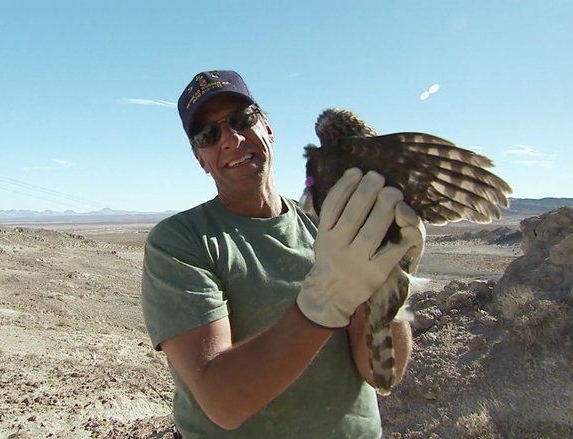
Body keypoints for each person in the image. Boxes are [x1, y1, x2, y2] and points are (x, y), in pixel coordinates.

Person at [141, 70, 424, 438]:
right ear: (201, 159)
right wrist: (328, 294)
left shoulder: (331, 224)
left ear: (268, 128)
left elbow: (380, 372)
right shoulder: (182, 242)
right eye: (208, 135)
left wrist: (392, 282)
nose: (231, 139)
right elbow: (223, 402)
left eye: (242, 120)